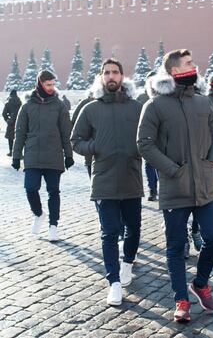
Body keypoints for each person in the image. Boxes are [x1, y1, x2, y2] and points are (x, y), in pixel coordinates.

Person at [137, 49, 213, 323]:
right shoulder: (155, 105)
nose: (194, 65)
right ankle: (181, 299)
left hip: (207, 187)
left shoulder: (203, 102)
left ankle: (200, 283)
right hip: (175, 188)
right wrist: (172, 169)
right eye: (189, 63)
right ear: (174, 71)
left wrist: (212, 162)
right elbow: (144, 144)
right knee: (175, 247)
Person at [71, 58, 143, 306]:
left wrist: (140, 150)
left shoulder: (136, 107)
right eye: (107, 73)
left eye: (115, 72)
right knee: (109, 233)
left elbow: (150, 137)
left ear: (123, 77)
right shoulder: (91, 109)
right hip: (103, 178)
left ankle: (127, 263)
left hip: (132, 177)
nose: (111, 76)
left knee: (133, 229)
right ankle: (113, 282)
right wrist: (95, 147)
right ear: (101, 77)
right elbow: (76, 140)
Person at [12, 70, 74, 241]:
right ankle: (38, 214)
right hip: (32, 155)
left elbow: (65, 133)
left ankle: (53, 226)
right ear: (40, 83)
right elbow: (20, 133)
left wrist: (68, 155)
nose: (51, 88)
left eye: (53, 84)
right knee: (30, 188)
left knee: (53, 191)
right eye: (48, 85)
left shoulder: (60, 106)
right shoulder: (27, 106)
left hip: (54, 156)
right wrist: (16, 156)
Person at [136, 71, 158, 201]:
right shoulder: (141, 97)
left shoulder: (162, 95)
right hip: (147, 136)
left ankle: (162, 188)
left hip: (160, 136)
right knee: (149, 164)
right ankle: (152, 189)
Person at [2, 89, 22, 157]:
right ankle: (20, 153)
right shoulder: (20, 103)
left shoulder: (8, 104)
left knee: (10, 139)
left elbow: (4, 114)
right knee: (20, 138)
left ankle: (11, 152)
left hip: (11, 123)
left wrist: (8, 120)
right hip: (20, 122)